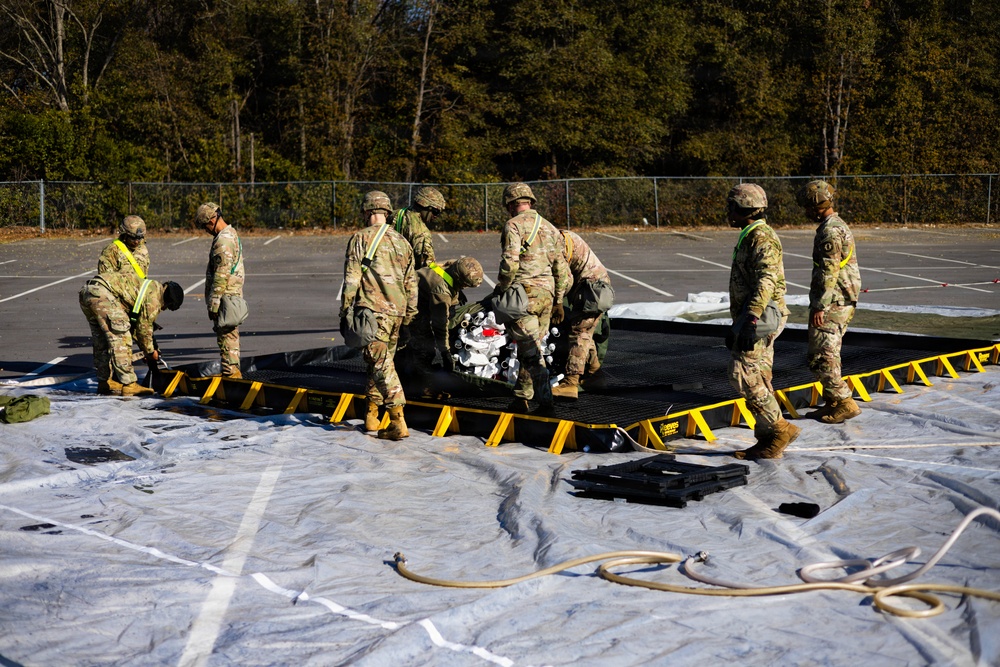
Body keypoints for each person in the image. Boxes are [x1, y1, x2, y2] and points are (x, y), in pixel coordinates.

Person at [726, 183, 800, 460]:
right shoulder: (751, 234)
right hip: (754, 315)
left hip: (760, 316)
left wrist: (751, 319)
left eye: (731, 207)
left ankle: (779, 429)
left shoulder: (761, 238)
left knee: (743, 373)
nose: (728, 212)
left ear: (742, 209)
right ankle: (768, 439)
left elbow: (766, 280)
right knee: (760, 373)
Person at [340, 191, 418, 440]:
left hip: (372, 312)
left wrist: (345, 311)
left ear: (366, 211)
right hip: (396, 314)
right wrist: (409, 317)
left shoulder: (360, 238)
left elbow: (351, 279)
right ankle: (371, 415)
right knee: (379, 362)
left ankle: (397, 420)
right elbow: (411, 284)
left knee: (381, 364)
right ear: (387, 212)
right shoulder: (403, 242)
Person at [494, 182, 570, 414]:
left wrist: (502, 287)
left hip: (524, 295)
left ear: (510, 204)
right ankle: (521, 397)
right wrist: (558, 301)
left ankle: (546, 403)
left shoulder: (513, 225)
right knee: (532, 347)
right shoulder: (550, 228)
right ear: (530, 201)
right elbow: (562, 270)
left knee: (531, 352)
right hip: (546, 295)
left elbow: (510, 262)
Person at [797, 179, 863, 424]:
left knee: (824, 353)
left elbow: (828, 270)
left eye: (807, 206)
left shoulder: (830, 230)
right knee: (827, 351)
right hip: (839, 298)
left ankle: (844, 401)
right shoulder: (834, 225)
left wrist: (820, 305)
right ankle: (832, 402)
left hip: (834, 300)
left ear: (816, 205)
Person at [79, 274, 184, 396]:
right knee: (121, 338)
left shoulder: (150, 287)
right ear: (168, 300)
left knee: (101, 341)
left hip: (88, 292)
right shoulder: (155, 298)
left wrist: (146, 348)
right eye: (167, 307)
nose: (163, 309)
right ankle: (129, 384)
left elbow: (136, 328)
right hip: (103, 294)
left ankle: (105, 382)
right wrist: (150, 352)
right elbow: (143, 331)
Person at [400, 256, 484, 383]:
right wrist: (445, 351)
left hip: (415, 292)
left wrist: (456, 292)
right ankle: (419, 381)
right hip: (409, 304)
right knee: (425, 347)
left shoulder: (454, 266)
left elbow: (449, 264)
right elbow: (440, 325)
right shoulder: (441, 291)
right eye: (465, 285)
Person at [551, 230, 612, 399]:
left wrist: (557, 303)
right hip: (593, 286)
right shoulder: (560, 236)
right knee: (585, 332)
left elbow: (565, 278)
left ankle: (571, 383)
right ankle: (595, 376)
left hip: (592, 289)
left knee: (580, 333)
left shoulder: (557, 243)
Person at [198, 203, 245, 379]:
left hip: (225, 296)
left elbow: (221, 274)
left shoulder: (223, 241)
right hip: (231, 294)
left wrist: (214, 303)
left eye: (205, 226)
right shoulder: (231, 233)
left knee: (226, 334)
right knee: (230, 333)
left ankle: (231, 372)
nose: (206, 230)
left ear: (211, 221)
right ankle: (232, 369)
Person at [391, 186, 445, 270]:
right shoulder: (421, 233)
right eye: (435, 212)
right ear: (427, 207)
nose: (436, 216)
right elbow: (428, 267)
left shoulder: (397, 214)